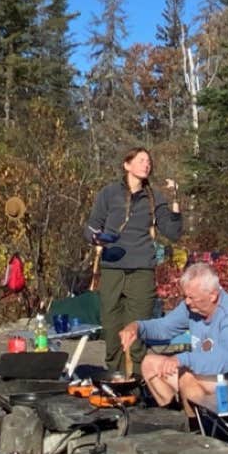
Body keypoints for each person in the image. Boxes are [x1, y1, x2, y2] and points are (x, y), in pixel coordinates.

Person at [86, 147, 184, 374]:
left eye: (148, 161)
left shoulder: (154, 197)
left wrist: (175, 203)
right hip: (112, 267)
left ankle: (139, 381)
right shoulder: (109, 193)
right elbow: (91, 225)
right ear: (127, 165)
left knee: (138, 329)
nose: (146, 164)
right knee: (111, 327)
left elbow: (173, 232)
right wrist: (95, 237)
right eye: (141, 160)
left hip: (142, 269)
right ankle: (116, 375)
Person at [120, 262, 228, 410]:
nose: (187, 302)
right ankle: (173, 414)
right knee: (150, 363)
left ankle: (197, 428)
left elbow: (226, 361)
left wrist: (182, 359)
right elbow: (165, 327)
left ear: (212, 296)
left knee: (186, 377)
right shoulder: (191, 307)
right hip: (207, 373)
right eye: (185, 296)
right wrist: (137, 327)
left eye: (192, 297)